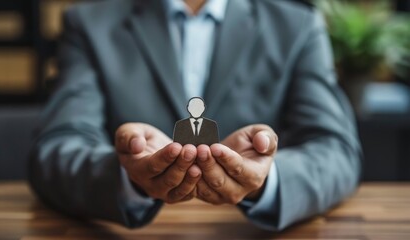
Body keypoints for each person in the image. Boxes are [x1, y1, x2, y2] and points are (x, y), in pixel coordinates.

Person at [29, 0, 361, 231]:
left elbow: (335, 149)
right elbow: (56, 149)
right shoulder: (89, 24)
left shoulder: (298, 25)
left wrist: (265, 180)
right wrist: (129, 177)